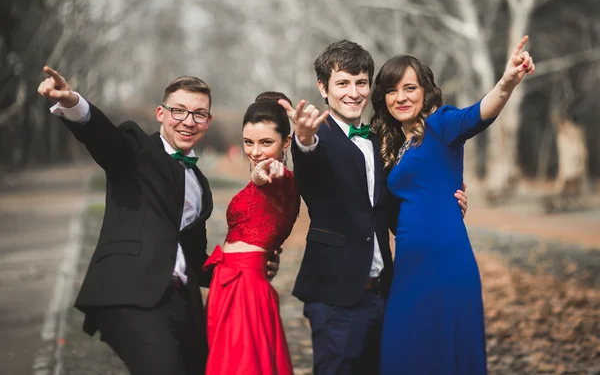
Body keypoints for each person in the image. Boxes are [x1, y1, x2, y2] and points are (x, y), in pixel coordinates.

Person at [36, 67, 279, 375]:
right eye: (179, 111)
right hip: (131, 293)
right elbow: (103, 138)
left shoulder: (200, 184)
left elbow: (195, 259)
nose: (188, 121)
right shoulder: (137, 148)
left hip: (182, 303)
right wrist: (72, 102)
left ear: (208, 121)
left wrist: (250, 266)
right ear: (161, 113)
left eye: (199, 114)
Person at [278, 40, 468, 374]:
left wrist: (441, 204)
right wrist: (303, 139)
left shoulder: (381, 140)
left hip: (385, 294)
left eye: (361, 82)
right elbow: (308, 162)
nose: (353, 92)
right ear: (323, 88)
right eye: (342, 83)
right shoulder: (316, 138)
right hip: (336, 296)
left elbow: (394, 210)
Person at [371, 36, 535, 374]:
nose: (400, 97)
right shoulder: (393, 146)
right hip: (408, 268)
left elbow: (479, 113)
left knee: (444, 357)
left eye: (409, 88)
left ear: (425, 90)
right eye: (391, 90)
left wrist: (506, 83)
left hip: (446, 265)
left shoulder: (440, 125)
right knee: (400, 354)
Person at [202, 92, 300, 375]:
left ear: (287, 142)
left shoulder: (281, 180)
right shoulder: (260, 174)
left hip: (246, 291)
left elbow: (271, 177)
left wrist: (265, 174)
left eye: (266, 142)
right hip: (226, 285)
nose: (256, 152)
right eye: (249, 142)